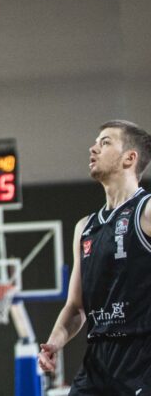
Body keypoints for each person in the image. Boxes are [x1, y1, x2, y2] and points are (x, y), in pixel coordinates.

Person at [38, 120, 151, 395]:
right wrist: (54, 343)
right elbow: (76, 307)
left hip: (142, 358)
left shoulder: (146, 211)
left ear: (129, 158)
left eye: (105, 142)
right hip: (98, 361)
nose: (93, 148)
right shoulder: (85, 228)